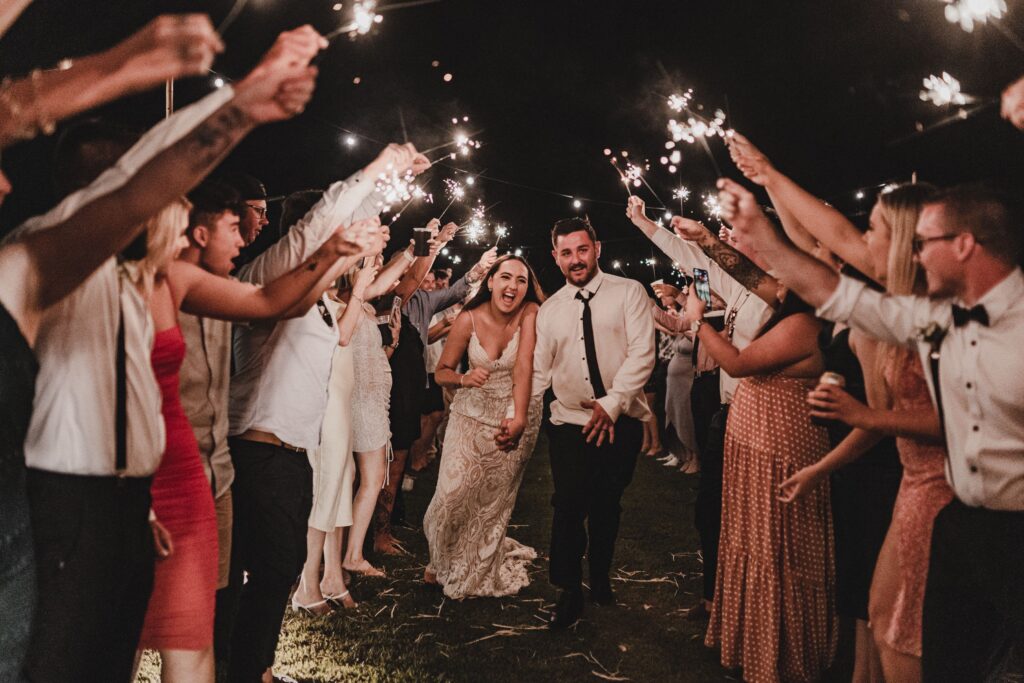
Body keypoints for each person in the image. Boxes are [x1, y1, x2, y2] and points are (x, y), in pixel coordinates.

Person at [7, 29, 318, 681]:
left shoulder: (136, 280)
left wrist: (137, 503)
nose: (8, 183)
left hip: (131, 503)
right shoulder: (38, 269)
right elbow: (131, 193)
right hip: (61, 511)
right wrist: (232, 98)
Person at [720, 177, 1024, 682]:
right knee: (924, 647)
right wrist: (763, 235)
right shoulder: (940, 319)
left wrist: (869, 418)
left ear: (965, 245)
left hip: (1011, 525)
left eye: (925, 244)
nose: (917, 255)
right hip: (963, 519)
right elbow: (839, 296)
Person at [729, 132, 947, 682]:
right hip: (906, 478)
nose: (858, 236)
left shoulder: (931, 316)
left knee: (906, 633)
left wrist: (864, 416)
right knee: (876, 613)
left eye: (873, 228)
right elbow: (815, 253)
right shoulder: (889, 305)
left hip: (928, 482)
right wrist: (764, 184)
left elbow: (827, 249)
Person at [626, 195, 775, 620]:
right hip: (730, 413)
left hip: (757, 414)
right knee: (711, 512)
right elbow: (697, 264)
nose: (731, 238)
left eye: (739, 235)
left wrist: (691, 314)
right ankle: (717, 598)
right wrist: (644, 223)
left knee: (728, 515)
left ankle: (736, 604)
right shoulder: (741, 287)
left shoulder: (774, 292)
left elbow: (703, 289)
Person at [685, 277, 837, 682]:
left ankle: (778, 651)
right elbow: (719, 269)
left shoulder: (803, 322)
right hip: (759, 446)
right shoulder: (784, 313)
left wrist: (698, 321)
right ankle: (751, 637)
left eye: (786, 271)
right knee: (755, 542)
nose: (778, 279)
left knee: (776, 547)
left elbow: (736, 363)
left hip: (779, 450)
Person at [531, 216, 655, 629]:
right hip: (569, 422)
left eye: (582, 250)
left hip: (621, 422)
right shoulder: (549, 311)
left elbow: (643, 354)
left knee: (606, 504)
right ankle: (567, 590)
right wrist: (517, 411)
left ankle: (600, 575)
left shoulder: (629, 292)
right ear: (555, 257)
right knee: (567, 503)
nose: (575, 259)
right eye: (566, 253)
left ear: (597, 248)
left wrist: (613, 403)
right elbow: (538, 371)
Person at [423, 255, 545, 598]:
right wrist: (463, 378)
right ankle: (441, 557)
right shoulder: (466, 319)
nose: (513, 286)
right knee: (451, 495)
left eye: (521, 280)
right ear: (490, 282)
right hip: (469, 414)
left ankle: (476, 564)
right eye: (505, 277)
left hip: (513, 412)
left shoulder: (530, 313)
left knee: (492, 503)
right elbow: (441, 371)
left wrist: (518, 418)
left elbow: (524, 367)